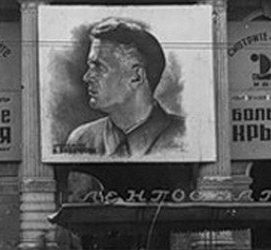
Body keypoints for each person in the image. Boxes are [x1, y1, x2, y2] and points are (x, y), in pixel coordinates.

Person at [65, 18, 186, 157]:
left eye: (99, 67)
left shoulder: (187, 137)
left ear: (136, 76)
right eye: (90, 66)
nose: (86, 77)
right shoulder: (81, 140)